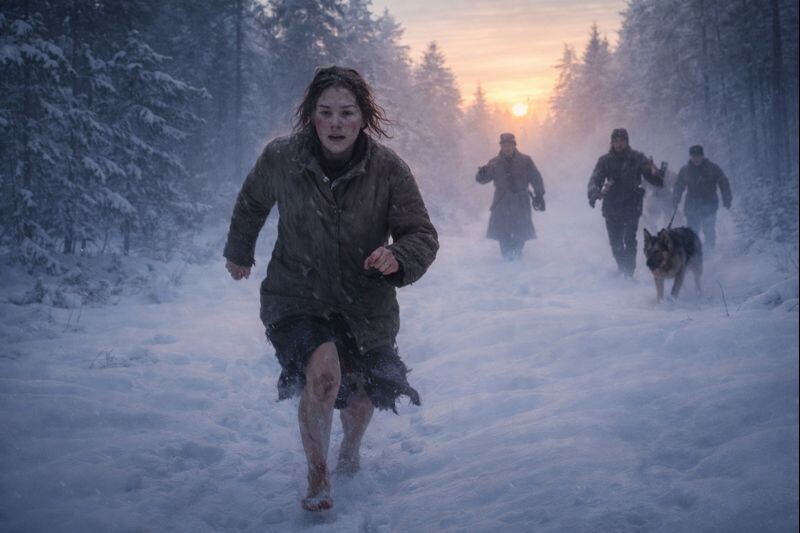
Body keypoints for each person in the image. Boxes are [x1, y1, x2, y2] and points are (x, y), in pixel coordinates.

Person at [223, 66, 438, 512]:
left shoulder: (389, 170)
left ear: (363, 118)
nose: (336, 123)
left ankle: (350, 451)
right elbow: (251, 204)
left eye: (346, 112)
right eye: (326, 113)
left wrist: (397, 256)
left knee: (360, 397)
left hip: (365, 303)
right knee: (323, 376)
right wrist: (239, 251)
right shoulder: (281, 159)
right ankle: (317, 475)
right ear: (311, 117)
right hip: (296, 295)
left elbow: (421, 233)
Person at [587, 128, 663, 277]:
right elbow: (595, 179)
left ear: (627, 141)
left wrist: (656, 173)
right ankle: (622, 267)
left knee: (629, 239)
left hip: (631, 207)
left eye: (622, 140)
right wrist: (593, 193)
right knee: (615, 243)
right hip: (611, 207)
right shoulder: (604, 160)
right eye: (616, 141)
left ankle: (629, 272)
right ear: (612, 142)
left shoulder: (638, 158)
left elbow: (655, 180)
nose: (619, 144)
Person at [476, 132, 545, 260]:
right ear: (501, 146)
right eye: (504, 145)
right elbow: (482, 180)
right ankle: (507, 258)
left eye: (509, 144)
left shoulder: (525, 160)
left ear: (514, 145)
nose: (507, 147)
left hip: (521, 201)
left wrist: (539, 195)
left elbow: (536, 178)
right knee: (503, 232)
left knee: (521, 230)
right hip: (501, 201)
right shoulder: (494, 163)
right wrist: (482, 174)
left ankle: (518, 254)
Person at [672, 145, 732, 250]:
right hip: (692, 205)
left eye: (698, 156)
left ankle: (709, 252)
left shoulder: (712, 168)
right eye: (693, 156)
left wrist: (726, 197)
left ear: (702, 156)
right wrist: (676, 197)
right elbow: (679, 185)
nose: (696, 159)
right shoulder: (685, 170)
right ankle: (693, 254)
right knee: (692, 231)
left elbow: (723, 181)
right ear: (690, 157)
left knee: (708, 229)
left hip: (709, 203)